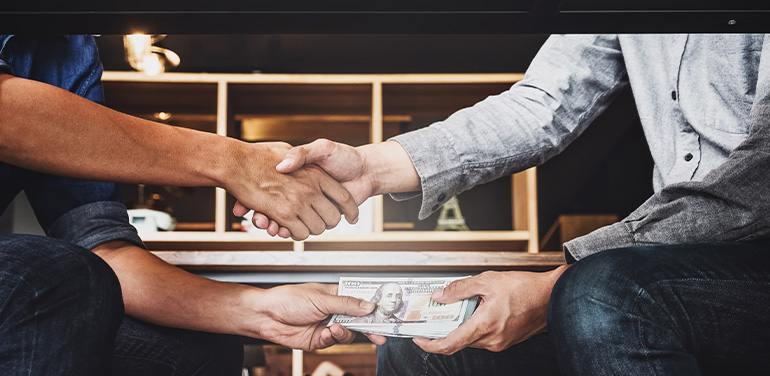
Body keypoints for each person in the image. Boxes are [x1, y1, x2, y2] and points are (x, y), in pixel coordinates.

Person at [251, 34, 770, 375]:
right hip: (666, 260)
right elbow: (540, 106)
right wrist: (370, 168)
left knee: (603, 291)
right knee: (423, 345)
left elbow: (758, 175)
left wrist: (555, 285)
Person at [0, 35, 374, 375]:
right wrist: (233, 162)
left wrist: (261, 312)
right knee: (50, 276)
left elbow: (103, 248)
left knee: (203, 349)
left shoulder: (71, 47)